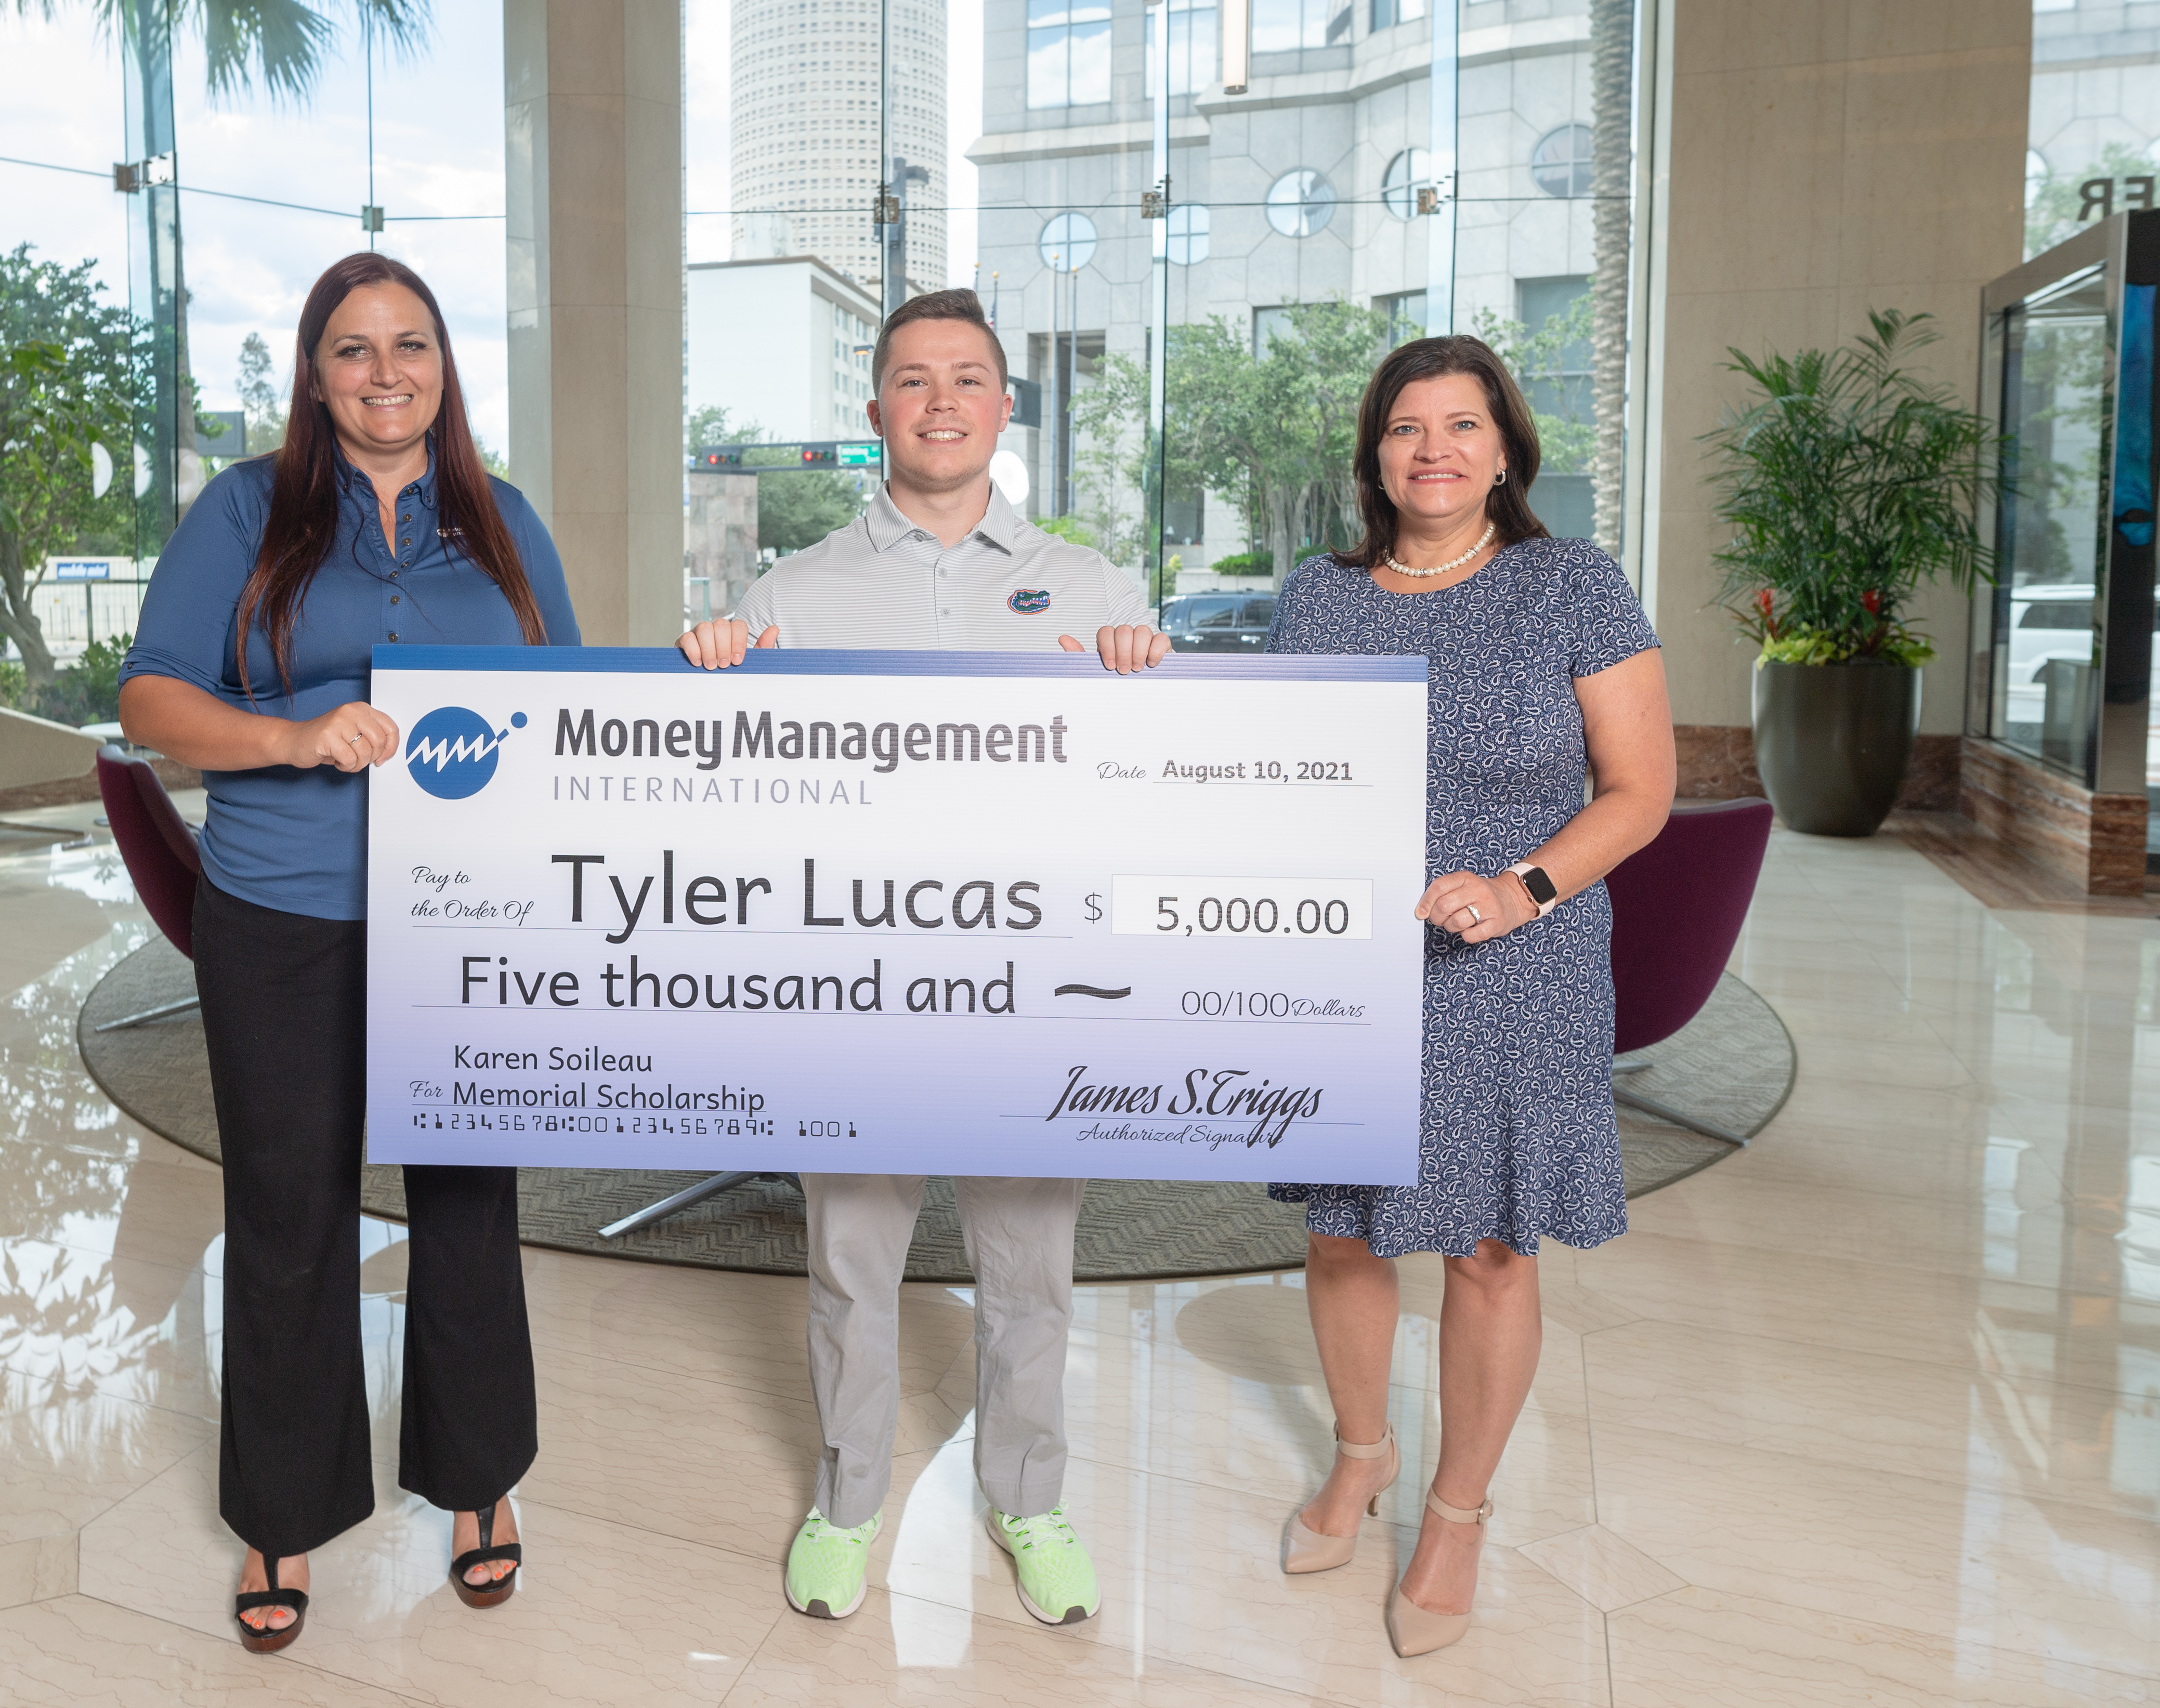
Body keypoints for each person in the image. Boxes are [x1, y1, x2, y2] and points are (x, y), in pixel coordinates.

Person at [676, 286, 1169, 1629]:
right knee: (850, 1262)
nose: (941, 401)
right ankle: (847, 1499)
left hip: (1031, 986)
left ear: (1004, 406)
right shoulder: (797, 588)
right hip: (859, 990)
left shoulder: (1092, 588)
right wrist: (716, 669)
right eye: (912, 380)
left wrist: (1146, 678)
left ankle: (1032, 1494)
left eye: (967, 378)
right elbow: (725, 787)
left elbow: (1152, 787)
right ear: (878, 410)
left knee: (1030, 1269)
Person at [118, 253, 580, 1653]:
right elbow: (149, 699)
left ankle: (479, 1480)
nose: (389, 371)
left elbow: (568, 707)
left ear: (445, 369)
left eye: (415, 345)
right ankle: (280, 1510)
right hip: (282, 914)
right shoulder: (246, 510)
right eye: (356, 348)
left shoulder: (501, 522)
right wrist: (292, 732)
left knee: (464, 1200)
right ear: (316, 376)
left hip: (467, 918)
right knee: (285, 1210)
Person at [1261, 334, 1673, 1658]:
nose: (1430, 448)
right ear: (1374, 454)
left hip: (1518, 961)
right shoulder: (1315, 598)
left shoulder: (1573, 586)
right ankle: (1362, 1453)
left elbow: (1639, 791)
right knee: (1343, 1231)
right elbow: (1258, 774)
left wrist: (1519, 888)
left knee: (1487, 1246)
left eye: (1459, 424)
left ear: (1503, 447)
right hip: (1347, 960)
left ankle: (1456, 1510)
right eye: (1404, 428)